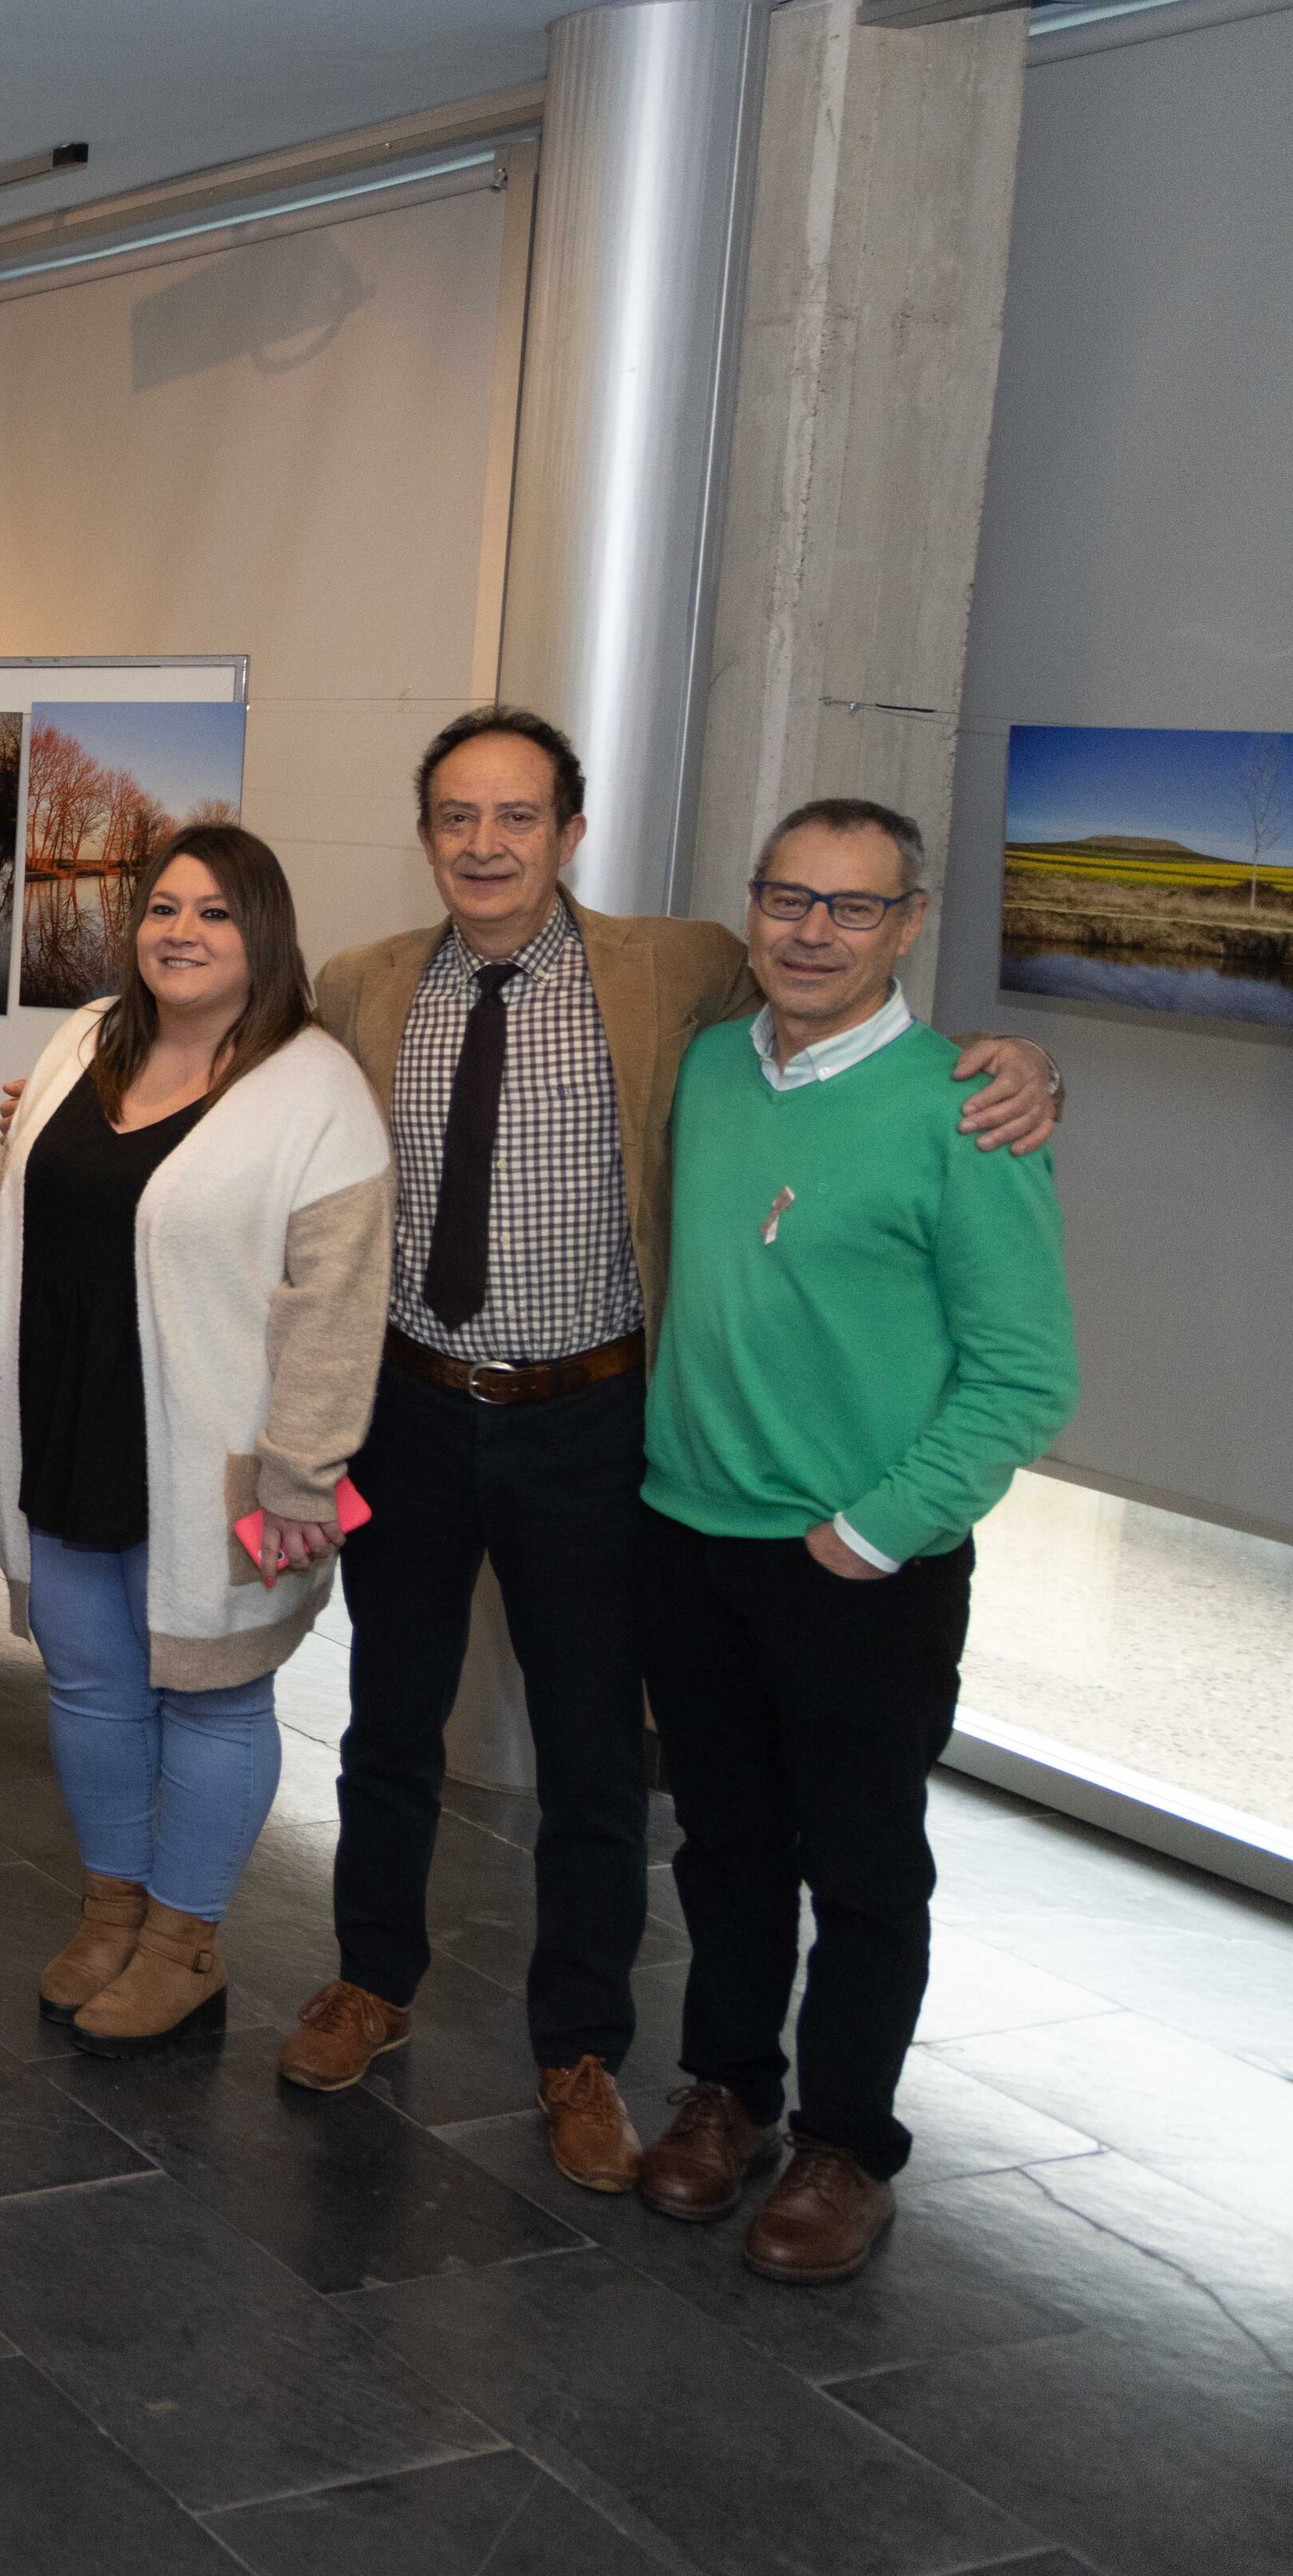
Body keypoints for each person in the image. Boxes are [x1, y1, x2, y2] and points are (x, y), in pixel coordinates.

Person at [283, 711, 1065, 2192]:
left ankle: (580, 2050)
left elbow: (858, 1027)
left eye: (519, 815)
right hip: (415, 1406)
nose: (487, 844)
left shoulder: (678, 972)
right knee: (387, 1721)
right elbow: (275, 1125)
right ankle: (369, 1980)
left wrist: (1025, 1059)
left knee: (594, 1754)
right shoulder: (362, 985)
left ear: (572, 833)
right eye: (458, 816)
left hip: (594, 1425)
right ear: (426, 832)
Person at [632, 801, 1075, 2285]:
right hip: (690, 1536)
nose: (812, 931)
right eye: (787, 898)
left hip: (861, 1568)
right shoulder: (709, 1066)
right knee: (725, 1847)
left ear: (907, 925)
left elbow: (1026, 1376)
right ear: (751, 905)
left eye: (853, 906)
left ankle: (846, 2145)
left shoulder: (967, 1110)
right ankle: (727, 2091)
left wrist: (873, 1533)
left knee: (866, 1868)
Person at [0, 825, 392, 2054]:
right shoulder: (83, 1042)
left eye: (214, 911)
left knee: (213, 1691)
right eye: (162, 907)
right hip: (69, 1425)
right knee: (91, 1682)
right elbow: (10, 1222)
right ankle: (113, 1911)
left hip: (218, 1457)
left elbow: (337, 1298)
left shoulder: (314, 1087)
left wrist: (304, 1469)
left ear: (264, 934)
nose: (181, 932)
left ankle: (183, 1944)